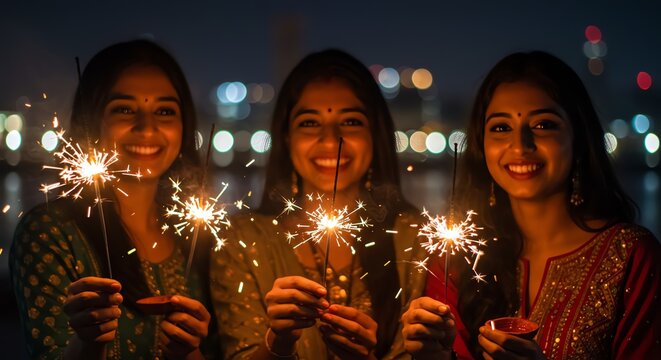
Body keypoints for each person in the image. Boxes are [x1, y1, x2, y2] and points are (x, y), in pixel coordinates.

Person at [401, 51, 660, 359]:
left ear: (578, 138)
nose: (520, 145)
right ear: (481, 146)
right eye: (500, 127)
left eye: (543, 125)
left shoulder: (630, 256)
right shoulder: (458, 259)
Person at [210, 49, 426, 359]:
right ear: (286, 137)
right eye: (310, 123)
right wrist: (279, 341)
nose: (330, 139)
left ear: (375, 135)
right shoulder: (242, 239)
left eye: (350, 121)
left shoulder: (413, 237)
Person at [10, 40, 218, 359]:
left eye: (164, 111)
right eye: (124, 109)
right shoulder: (50, 232)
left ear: (184, 125)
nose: (147, 127)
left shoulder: (198, 237)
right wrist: (89, 343)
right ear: (92, 121)